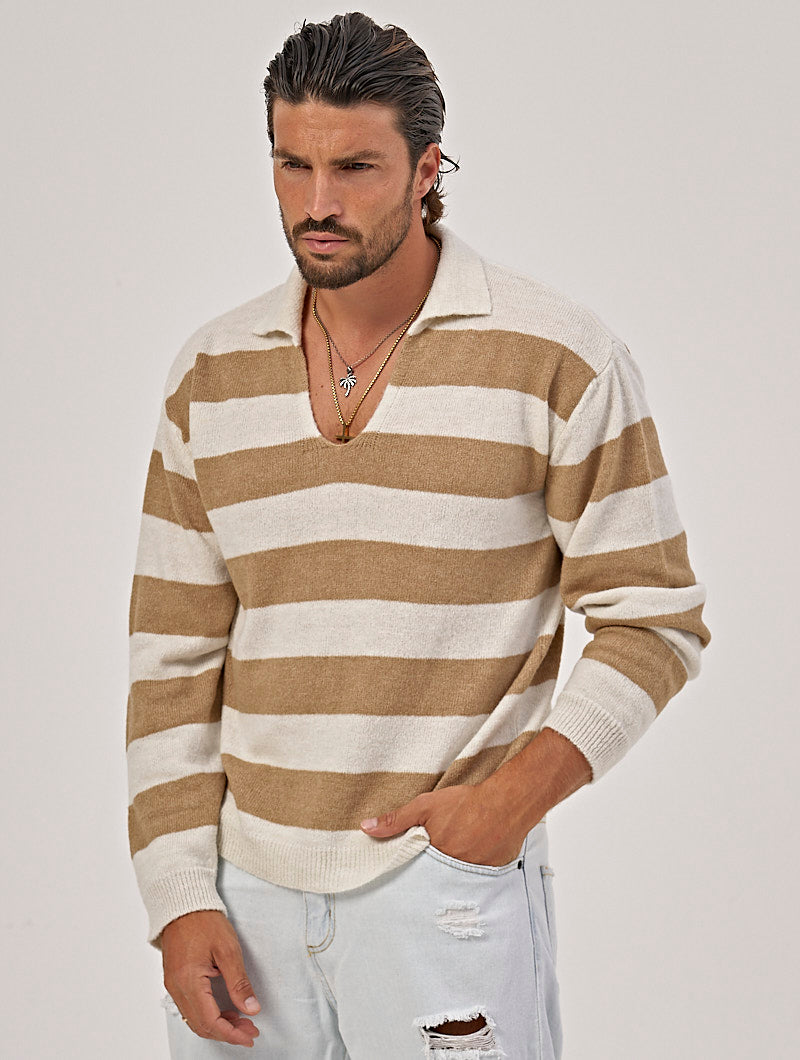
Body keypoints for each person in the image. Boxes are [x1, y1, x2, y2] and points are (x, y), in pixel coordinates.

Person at [126, 12, 711, 1058]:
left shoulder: (554, 357)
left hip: (439, 895)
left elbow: (653, 619)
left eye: (354, 167)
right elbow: (172, 658)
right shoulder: (211, 374)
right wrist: (179, 896)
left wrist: (503, 807)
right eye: (292, 164)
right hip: (239, 900)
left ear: (427, 169)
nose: (317, 202)